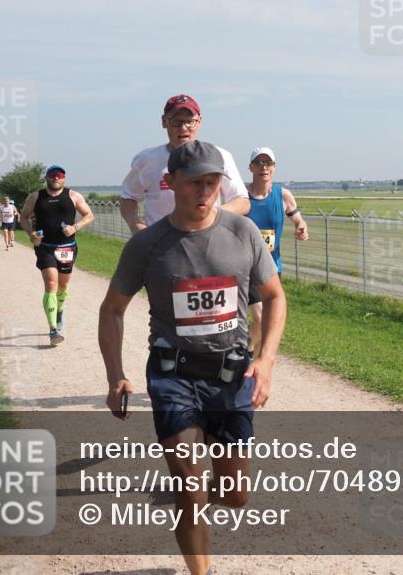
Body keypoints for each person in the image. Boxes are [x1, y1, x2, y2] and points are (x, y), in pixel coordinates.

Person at [99, 140, 286, 575]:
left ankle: (208, 497)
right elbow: (112, 309)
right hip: (173, 376)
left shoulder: (243, 233)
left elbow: (275, 298)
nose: (204, 192)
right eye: (194, 183)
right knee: (189, 488)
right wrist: (115, 376)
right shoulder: (147, 245)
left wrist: (267, 360)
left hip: (231, 375)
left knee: (235, 493)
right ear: (171, 182)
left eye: (211, 183)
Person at [120, 94, 249, 234]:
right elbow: (128, 196)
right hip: (160, 245)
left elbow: (242, 202)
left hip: (205, 241)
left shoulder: (219, 157)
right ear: (164, 122)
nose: (183, 128)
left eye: (189, 121)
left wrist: (210, 213)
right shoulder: (147, 160)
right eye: (176, 121)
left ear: (199, 121)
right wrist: (136, 225)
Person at [19, 165, 94, 346]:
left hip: (66, 248)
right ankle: (53, 330)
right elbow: (23, 217)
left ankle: (59, 310)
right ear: (46, 178)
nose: (56, 178)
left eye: (59, 176)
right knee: (51, 283)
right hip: (45, 247)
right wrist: (32, 234)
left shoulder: (73, 196)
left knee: (63, 285)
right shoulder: (35, 197)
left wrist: (74, 227)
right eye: (52, 175)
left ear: (64, 178)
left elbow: (89, 215)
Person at [244, 147, 307, 354]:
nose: (264, 167)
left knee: (268, 322)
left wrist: (301, 226)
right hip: (247, 268)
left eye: (268, 163)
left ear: (274, 168)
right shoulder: (242, 197)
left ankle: (253, 356)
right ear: (250, 167)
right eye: (259, 163)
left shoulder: (283, 195)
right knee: (261, 317)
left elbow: (296, 217)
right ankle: (247, 350)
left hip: (272, 267)